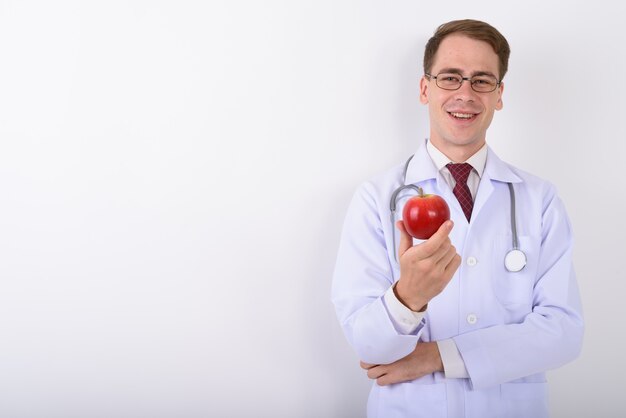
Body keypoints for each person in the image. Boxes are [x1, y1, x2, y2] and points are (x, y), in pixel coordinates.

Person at [331, 19, 584, 418]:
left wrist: (438, 357)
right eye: (450, 78)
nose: (465, 94)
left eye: (482, 80)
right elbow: (368, 347)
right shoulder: (376, 199)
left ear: (499, 95)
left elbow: (564, 333)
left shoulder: (538, 199)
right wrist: (408, 297)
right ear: (424, 88)